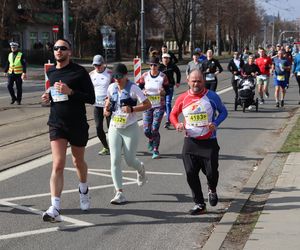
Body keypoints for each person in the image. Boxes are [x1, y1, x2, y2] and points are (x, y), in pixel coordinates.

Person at [41, 39, 95, 222]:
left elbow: (91, 98)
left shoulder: (79, 72)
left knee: (78, 161)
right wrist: (47, 97)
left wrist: (70, 91)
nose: (58, 51)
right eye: (56, 48)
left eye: (62, 48)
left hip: (77, 124)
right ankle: (55, 206)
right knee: (58, 164)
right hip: (57, 123)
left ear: (69, 52)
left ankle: (84, 188)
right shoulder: (51, 71)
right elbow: (53, 94)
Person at [170, 69, 228, 215]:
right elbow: (173, 114)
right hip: (190, 141)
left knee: (211, 173)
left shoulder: (212, 96)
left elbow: (224, 112)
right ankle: (199, 203)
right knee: (190, 173)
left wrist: (215, 123)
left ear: (203, 81)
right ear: (188, 81)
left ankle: (212, 189)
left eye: (199, 81)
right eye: (193, 81)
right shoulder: (182, 98)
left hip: (209, 141)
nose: (196, 84)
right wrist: (177, 124)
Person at [104, 63, 151, 204]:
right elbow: (107, 105)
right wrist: (106, 110)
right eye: (114, 77)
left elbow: (147, 104)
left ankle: (140, 168)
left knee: (130, 160)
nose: (117, 79)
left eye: (119, 76)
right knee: (115, 159)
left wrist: (132, 109)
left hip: (130, 127)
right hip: (114, 127)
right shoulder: (111, 88)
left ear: (126, 76)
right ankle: (119, 193)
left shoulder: (133, 88)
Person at [138, 57, 169, 159]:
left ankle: (156, 150)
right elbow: (139, 88)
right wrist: (143, 92)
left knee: (154, 128)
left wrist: (162, 92)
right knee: (146, 130)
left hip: (159, 106)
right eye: (151, 65)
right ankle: (151, 139)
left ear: (158, 65)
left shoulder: (163, 76)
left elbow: (167, 91)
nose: (153, 67)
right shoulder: (145, 75)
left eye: (155, 65)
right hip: (147, 105)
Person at [90, 54, 113, 155]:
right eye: (95, 65)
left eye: (99, 65)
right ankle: (106, 147)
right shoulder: (91, 74)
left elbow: (116, 87)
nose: (97, 67)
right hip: (97, 105)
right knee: (98, 128)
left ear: (103, 64)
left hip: (109, 105)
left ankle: (114, 146)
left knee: (111, 128)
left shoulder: (110, 73)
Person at [158, 53, 181, 129]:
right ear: (162, 59)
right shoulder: (159, 67)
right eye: (164, 58)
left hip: (170, 87)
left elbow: (178, 73)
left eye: (167, 58)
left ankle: (168, 121)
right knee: (163, 104)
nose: (166, 59)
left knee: (168, 103)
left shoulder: (172, 66)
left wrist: (178, 82)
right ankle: (170, 115)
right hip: (161, 88)